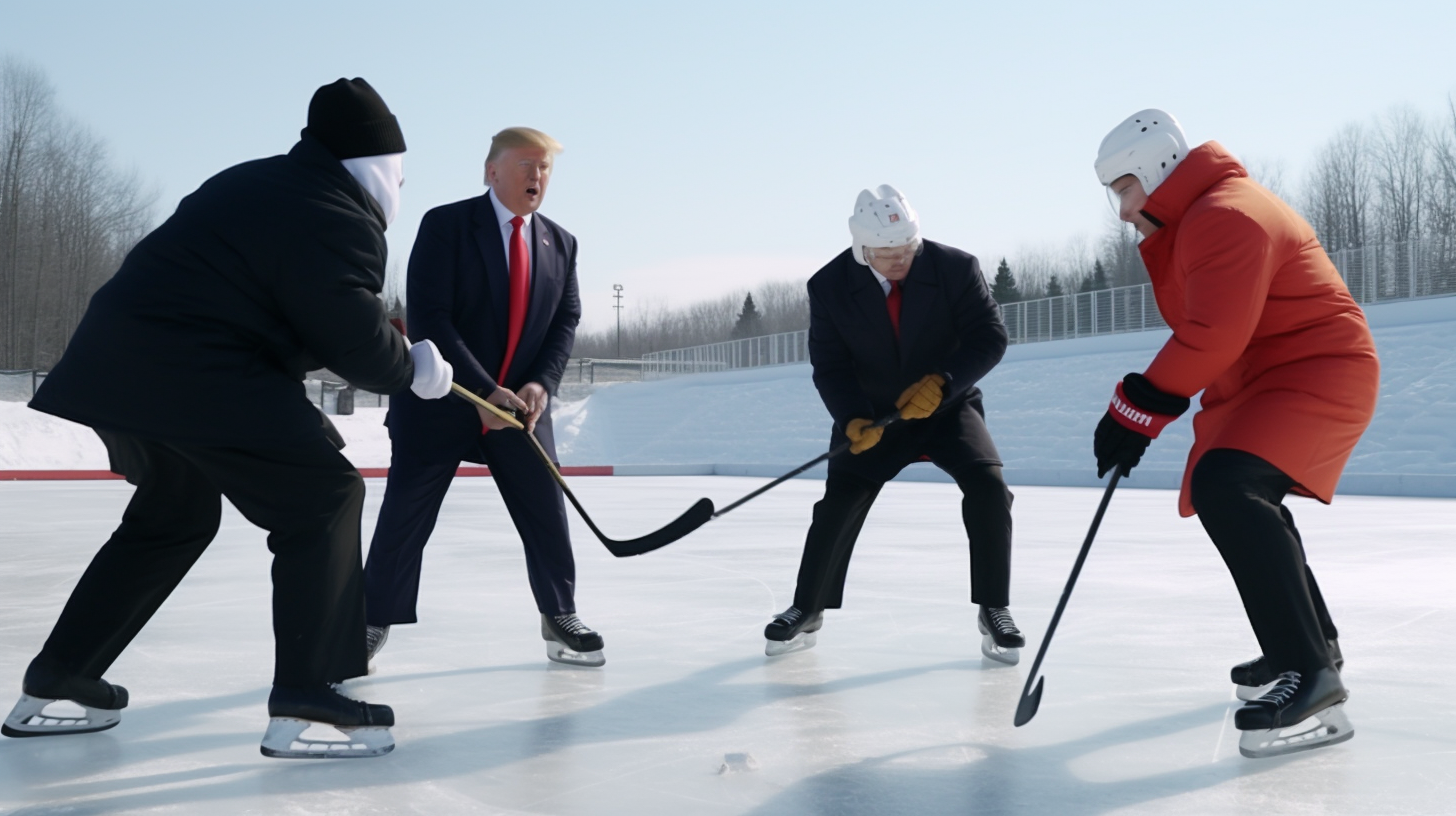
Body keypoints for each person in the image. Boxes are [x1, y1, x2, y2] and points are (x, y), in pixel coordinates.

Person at [2, 79, 454, 759]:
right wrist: (412, 366)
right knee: (326, 498)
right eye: (398, 172)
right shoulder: (336, 210)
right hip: (192, 372)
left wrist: (351, 382)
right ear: (373, 167)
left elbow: (257, 309)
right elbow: (350, 337)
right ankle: (308, 688)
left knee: (174, 514)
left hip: (122, 366)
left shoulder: (262, 183)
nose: (399, 186)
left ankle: (61, 671)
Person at [1092, 109, 1378, 758]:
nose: (1122, 211)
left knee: (1229, 484)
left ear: (1160, 172)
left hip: (1316, 373)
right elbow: (1219, 331)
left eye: (1125, 190)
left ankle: (1309, 673)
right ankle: (1311, 647)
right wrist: (1140, 412)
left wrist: (1136, 409)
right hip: (1273, 374)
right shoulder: (1207, 213)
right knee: (1241, 487)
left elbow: (1214, 332)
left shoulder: (1225, 215)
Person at [763, 185, 1024, 665]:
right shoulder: (829, 286)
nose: (900, 260)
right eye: (886, 255)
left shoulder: (956, 267)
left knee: (989, 487)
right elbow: (830, 364)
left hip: (946, 406)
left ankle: (995, 607)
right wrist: (852, 418)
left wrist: (944, 383)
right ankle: (807, 606)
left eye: (907, 249)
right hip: (873, 414)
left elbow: (990, 336)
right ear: (863, 250)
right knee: (840, 501)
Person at [362, 127, 594, 666]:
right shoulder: (446, 226)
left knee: (545, 508)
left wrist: (540, 385)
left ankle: (559, 614)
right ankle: (371, 620)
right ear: (491, 171)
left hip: (520, 411)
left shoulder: (560, 243)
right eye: (525, 165)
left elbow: (566, 319)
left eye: (545, 169)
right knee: (405, 517)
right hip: (444, 398)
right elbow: (431, 317)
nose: (537, 177)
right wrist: (484, 390)